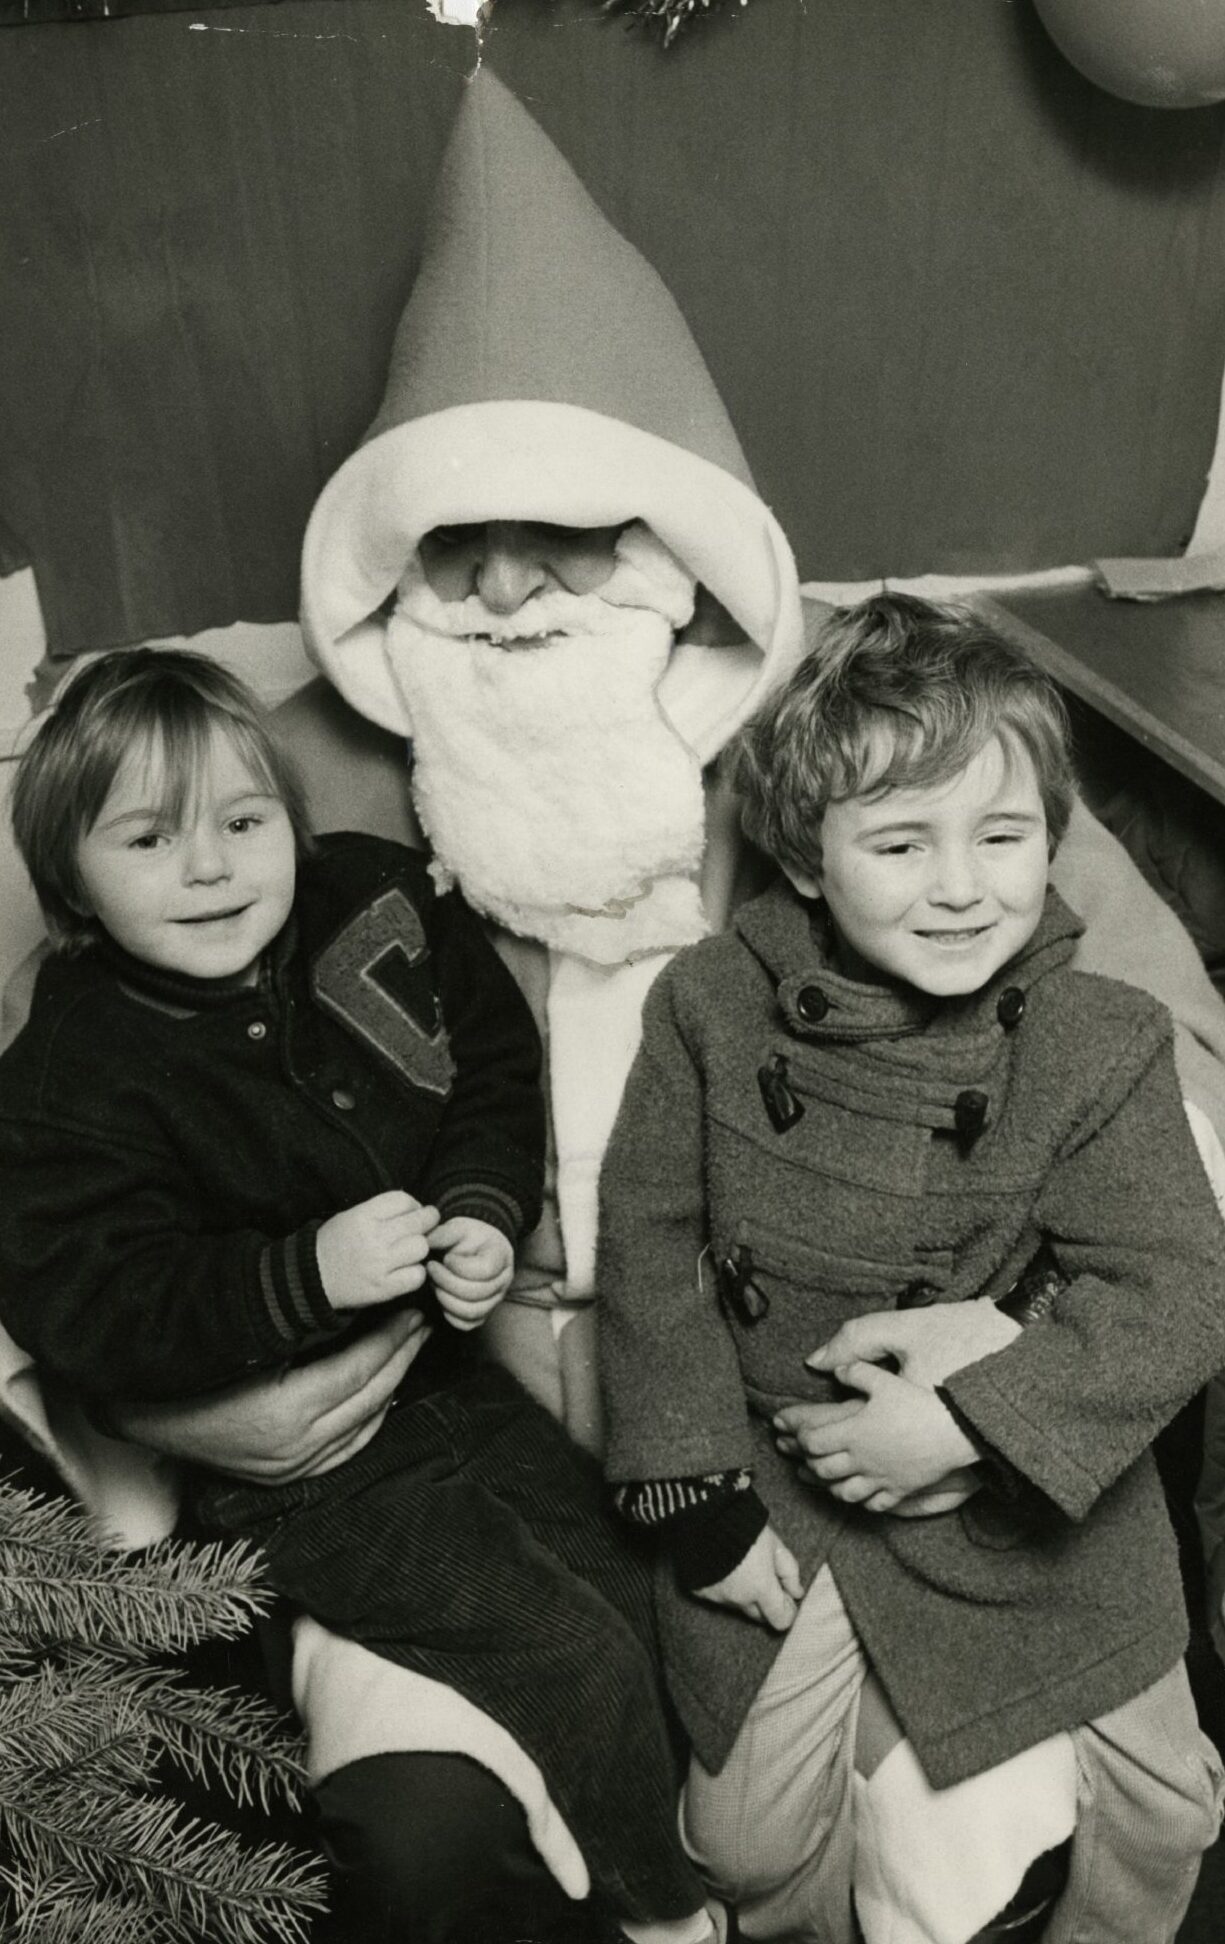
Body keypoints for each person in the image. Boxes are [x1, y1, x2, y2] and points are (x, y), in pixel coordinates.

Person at [5, 67, 1225, 1944]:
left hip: (847, 1418)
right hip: (466, 1415)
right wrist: (219, 1372)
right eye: (460, 563)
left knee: (996, 1819)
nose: (506, 593)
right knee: (484, 1817)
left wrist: (999, 1363)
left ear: (676, 578)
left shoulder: (898, 796)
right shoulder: (327, 828)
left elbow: (1147, 1105)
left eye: (565, 551)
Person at [0, 646, 717, 1944]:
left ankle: (672, 1854)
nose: (212, 866)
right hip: (304, 1474)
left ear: (293, 817)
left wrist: (485, 1215)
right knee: (564, 1651)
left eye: (245, 820)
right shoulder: (74, 1068)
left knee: (619, 1582)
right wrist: (300, 1275)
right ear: (73, 885)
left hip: (449, 1378)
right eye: (150, 839)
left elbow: (493, 1066)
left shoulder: (371, 903)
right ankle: (666, 1917)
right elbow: (88, 1304)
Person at [597, 592, 1225, 1944]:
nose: (959, 885)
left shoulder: (1095, 1037)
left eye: (1000, 837)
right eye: (899, 841)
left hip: (1019, 1464)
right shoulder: (704, 1007)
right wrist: (693, 1489)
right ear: (807, 862)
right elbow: (647, 1247)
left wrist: (965, 1423)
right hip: (785, 1464)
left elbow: (1175, 1288)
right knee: (744, 1842)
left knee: (1164, 1808)